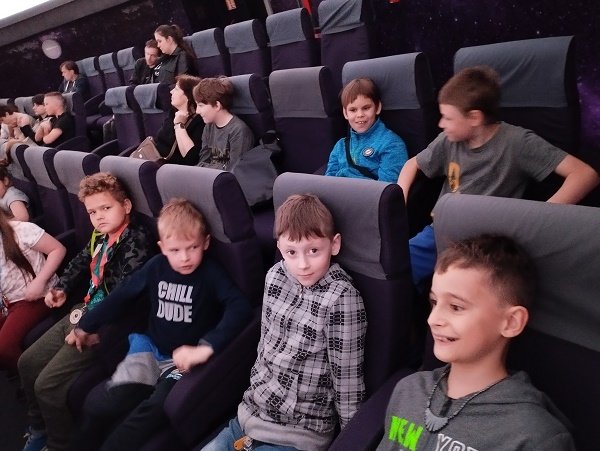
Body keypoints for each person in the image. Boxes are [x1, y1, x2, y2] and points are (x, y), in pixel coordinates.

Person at [72, 198, 253, 451]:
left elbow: (239, 307)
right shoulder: (156, 267)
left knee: (155, 408)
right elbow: (124, 294)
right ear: (163, 247)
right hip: (150, 349)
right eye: (175, 250)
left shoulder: (210, 273)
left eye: (192, 247)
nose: (185, 257)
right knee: (103, 404)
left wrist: (206, 347)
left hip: (182, 361)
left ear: (206, 243)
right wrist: (87, 324)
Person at [400, 66, 599, 287]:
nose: (441, 124)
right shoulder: (447, 140)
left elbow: (585, 174)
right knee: (395, 267)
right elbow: (412, 164)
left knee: (460, 287)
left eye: (447, 118)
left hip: (484, 245)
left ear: (474, 117)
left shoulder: (517, 143)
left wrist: (542, 215)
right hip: (442, 230)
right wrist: (400, 199)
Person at [376, 234, 575, 450]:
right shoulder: (409, 390)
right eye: (434, 302)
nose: (433, 319)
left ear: (511, 322)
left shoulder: (534, 436)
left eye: (456, 307)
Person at [203, 194, 367, 451]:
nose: (303, 265)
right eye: (291, 252)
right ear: (279, 248)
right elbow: (265, 346)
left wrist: (351, 442)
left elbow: (347, 382)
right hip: (250, 416)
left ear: (334, 245)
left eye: (314, 251)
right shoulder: (275, 276)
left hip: (298, 432)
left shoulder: (342, 298)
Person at [18, 172, 155, 451]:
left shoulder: (137, 239)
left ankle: (59, 444)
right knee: (26, 363)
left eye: (106, 208)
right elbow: (81, 261)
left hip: (105, 323)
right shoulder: (100, 235)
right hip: (84, 308)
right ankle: (39, 426)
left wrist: (89, 325)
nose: (99, 217)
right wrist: (62, 288)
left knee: (46, 385)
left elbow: (124, 294)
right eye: (92, 212)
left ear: (126, 205)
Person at [0, 209, 65, 373]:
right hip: (9, 302)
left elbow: (57, 249)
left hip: (37, 297)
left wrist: (39, 281)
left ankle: (31, 377)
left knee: (4, 347)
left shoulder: (21, 230)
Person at [325, 77, 408, 182]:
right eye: (353, 110)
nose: (360, 115)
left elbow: (386, 188)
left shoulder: (392, 144)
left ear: (377, 108)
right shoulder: (340, 146)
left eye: (366, 108)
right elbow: (328, 182)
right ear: (345, 113)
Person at [194, 77, 254, 170]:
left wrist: (209, 167)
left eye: (201, 105)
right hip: (210, 176)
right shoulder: (208, 127)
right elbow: (203, 162)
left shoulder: (238, 130)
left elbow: (234, 169)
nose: (197, 111)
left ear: (217, 105)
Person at [153, 74, 204, 165]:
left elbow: (191, 159)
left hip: (174, 167)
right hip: (156, 160)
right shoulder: (172, 113)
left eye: (176, 89)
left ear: (188, 95)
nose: (171, 91)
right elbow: (160, 141)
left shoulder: (200, 121)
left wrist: (179, 125)